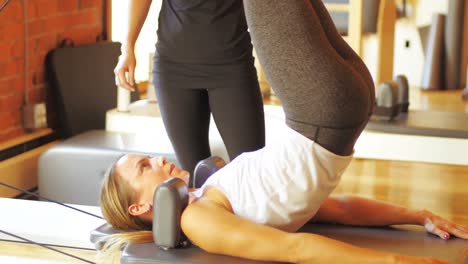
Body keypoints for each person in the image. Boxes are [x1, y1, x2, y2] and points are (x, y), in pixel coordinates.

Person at [101, 1, 468, 263]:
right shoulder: (196, 220)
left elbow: (338, 209)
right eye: (145, 167)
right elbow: (296, 249)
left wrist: (418, 214)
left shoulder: (205, 195)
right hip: (320, 112)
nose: (158, 159)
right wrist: (395, 261)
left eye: (147, 158)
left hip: (342, 108)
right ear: (141, 207)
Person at [114, 0, 266, 178]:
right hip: (173, 68)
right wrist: (127, 49)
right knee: (195, 175)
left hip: (233, 65)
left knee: (251, 171)